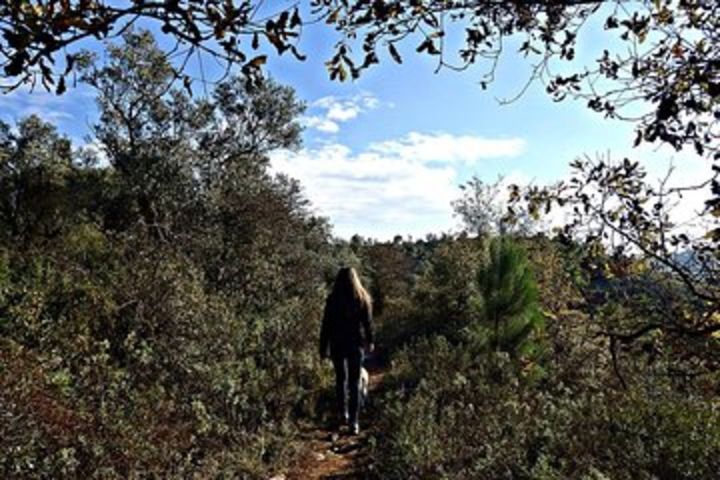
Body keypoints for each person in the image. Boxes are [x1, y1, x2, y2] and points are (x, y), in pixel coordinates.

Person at [319, 267, 374, 435]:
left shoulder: (333, 299)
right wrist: (370, 341)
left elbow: (325, 325)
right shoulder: (362, 298)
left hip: (337, 344)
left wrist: (323, 347)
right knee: (354, 382)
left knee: (340, 380)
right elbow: (368, 324)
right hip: (355, 344)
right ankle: (354, 422)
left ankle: (343, 413)